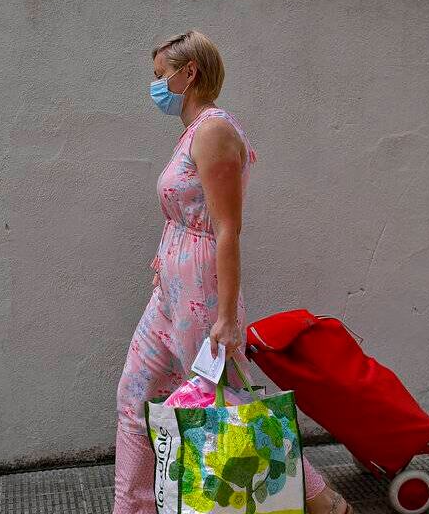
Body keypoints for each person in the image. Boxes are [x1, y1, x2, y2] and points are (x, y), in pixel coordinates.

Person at [112, 29, 354, 514]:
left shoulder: (214, 131)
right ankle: (131, 507)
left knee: (227, 402)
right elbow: (184, 216)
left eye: (161, 75)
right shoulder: (192, 132)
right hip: (171, 291)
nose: (155, 86)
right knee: (134, 396)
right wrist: (164, 267)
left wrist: (225, 317)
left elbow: (226, 230)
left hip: (201, 290)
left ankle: (324, 501)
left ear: (189, 73)